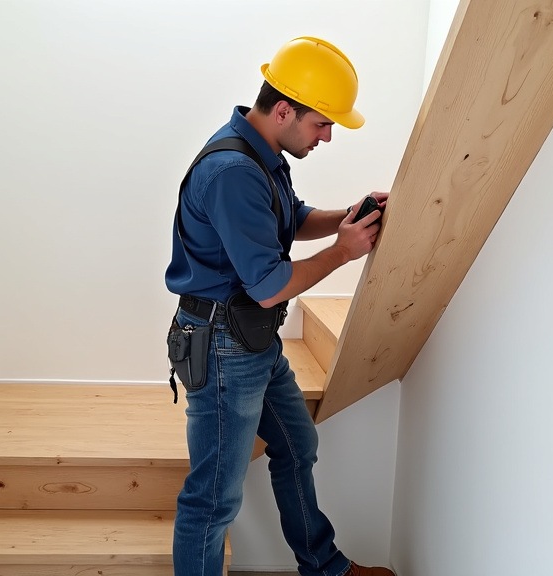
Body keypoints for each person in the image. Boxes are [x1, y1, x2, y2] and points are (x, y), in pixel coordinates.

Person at [165, 36, 394, 576]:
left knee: (296, 445)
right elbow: (269, 284)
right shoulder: (233, 172)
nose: (328, 136)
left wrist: (350, 216)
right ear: (285, 110)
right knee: (213, 497)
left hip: (251, 338)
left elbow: (290, 217)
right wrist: (344, 251)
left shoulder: (263, 154)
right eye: (321, 124)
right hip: (222, 346)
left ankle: (323, 566)